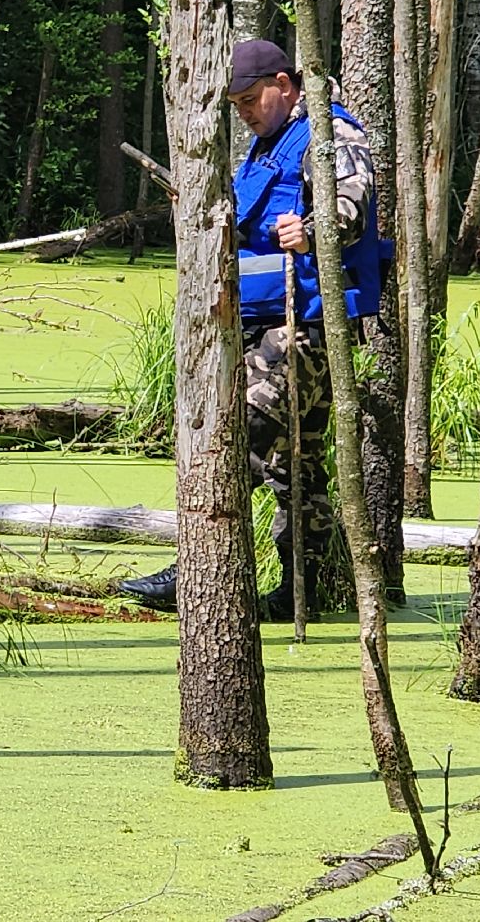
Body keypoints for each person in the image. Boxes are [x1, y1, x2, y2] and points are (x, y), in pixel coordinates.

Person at [120, 40, 383, 620]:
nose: (244, 111)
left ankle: (196, 569)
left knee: (242, 436)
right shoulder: (263, 151)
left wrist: (313, 229)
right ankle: (309, 589)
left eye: (249, 98)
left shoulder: (332, 134)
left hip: (305, 326)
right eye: (235, 103)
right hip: (258, 319)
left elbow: (355, 202)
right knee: (298, 463)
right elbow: (243, 229)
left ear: (284, 84)